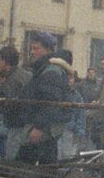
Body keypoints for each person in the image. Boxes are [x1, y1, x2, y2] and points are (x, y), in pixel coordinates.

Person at [16, 33, 71, 164]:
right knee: (44, 164)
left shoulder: (51, 71)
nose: (32, 52)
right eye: (32, 48)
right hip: (41, 128)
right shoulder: (44, 69)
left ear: (48, 50)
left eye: (36, 48)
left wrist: (39, 128)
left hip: (42, 130)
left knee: (26, 167)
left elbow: (51, 102)